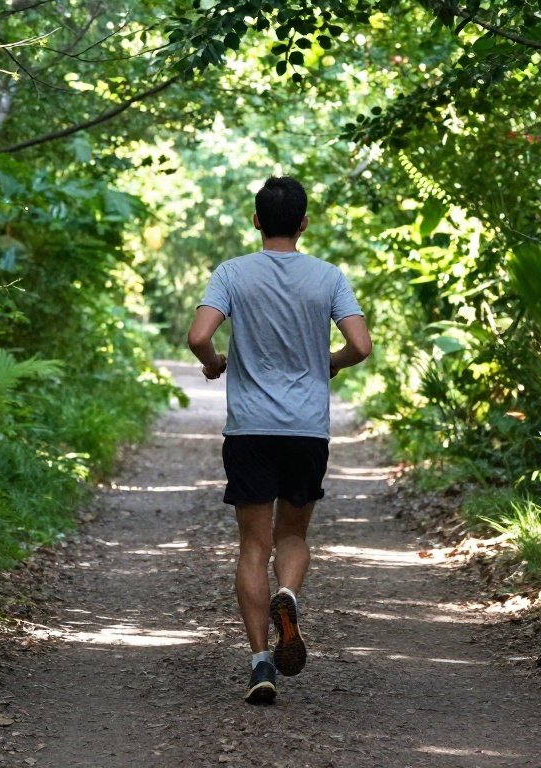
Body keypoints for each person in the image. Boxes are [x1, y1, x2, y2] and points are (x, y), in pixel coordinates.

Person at [186, 176, 373, 705]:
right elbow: (360, 345)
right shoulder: (328, 277)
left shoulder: (232, 273)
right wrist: (327, 364)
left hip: (250, 428)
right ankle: (287, 594)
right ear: (304, 223)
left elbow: (199, 336)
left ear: (256, 220)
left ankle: (260, 660)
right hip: (306, 428)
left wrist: (215, 364)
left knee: (253, 544)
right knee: (293, 535)